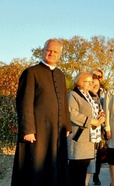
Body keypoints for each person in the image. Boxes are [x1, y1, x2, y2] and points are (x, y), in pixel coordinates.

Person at [11, 38, 72, 186]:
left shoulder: (60, 74)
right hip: (37, 131)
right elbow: (24, 102)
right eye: (49, 50)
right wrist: (28, 129)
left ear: (59, 55)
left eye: (55, 52)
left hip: (56, 131)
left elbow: (64, 102)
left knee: (55, 168)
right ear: (43, 51)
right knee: (35, 170)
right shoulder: (31, 72)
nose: (51, 53)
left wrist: (67, 126)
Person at [67, 72, 105, 186]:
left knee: (83, 170)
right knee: (76, 171)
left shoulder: (89, 96)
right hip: (78, 138)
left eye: (91, 82)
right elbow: (72, 113)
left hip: (89, 139)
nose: (90, 84)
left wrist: (101, 117)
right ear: (79, 81)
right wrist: (91, 121)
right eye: (87, 81)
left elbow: (98, 109)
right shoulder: (73, 95)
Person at [87, 78, 107, 186]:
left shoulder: (99, 97)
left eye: (97, 85)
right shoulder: (84, 96)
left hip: (98, 132)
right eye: (93, 83)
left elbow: (102, 110)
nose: (95, 86)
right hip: (86, 132)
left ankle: (95, 176)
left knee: (97, 157)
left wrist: (102, 116)